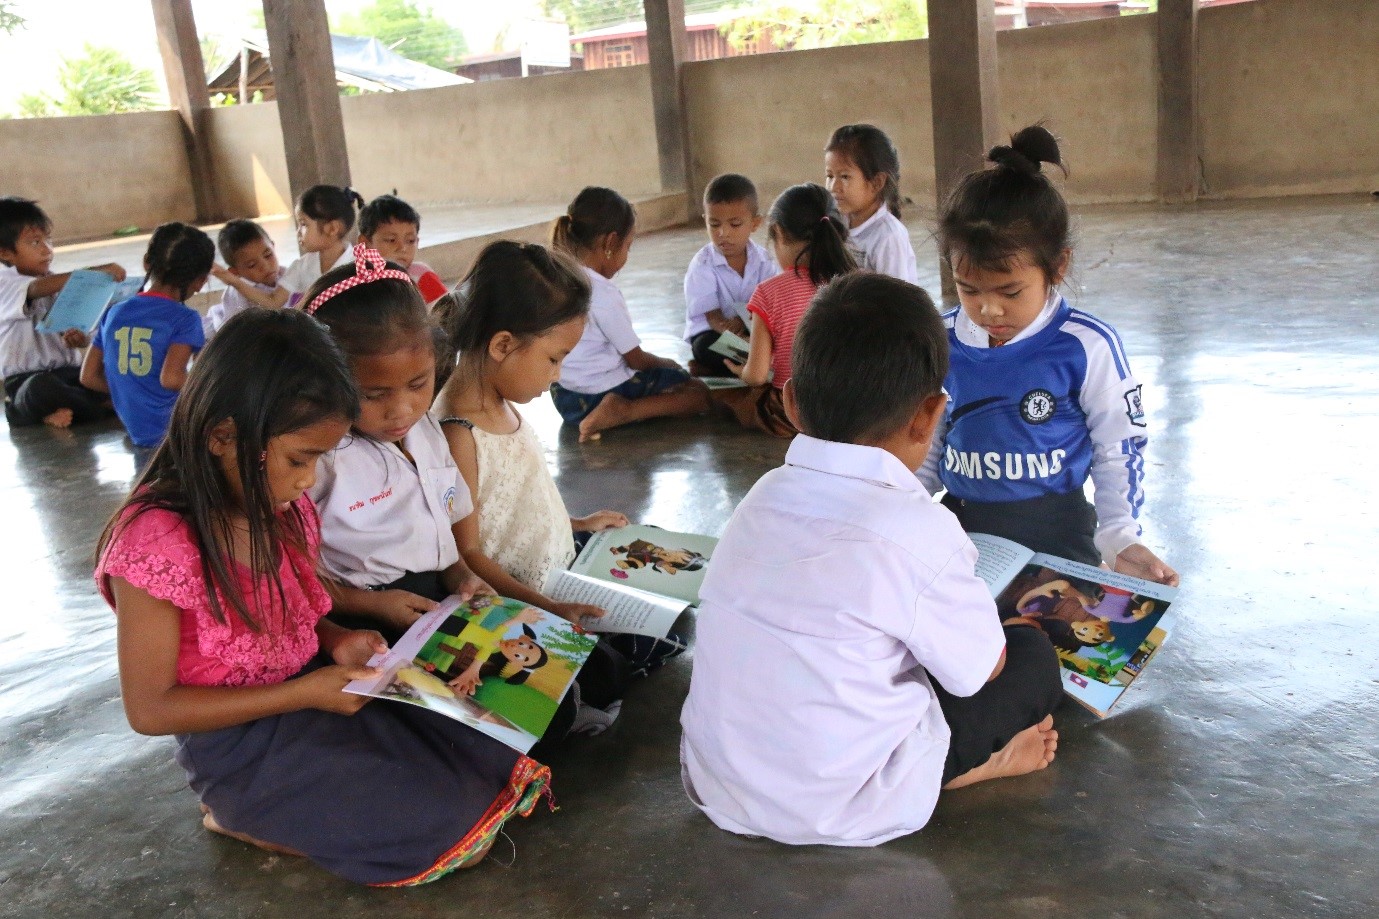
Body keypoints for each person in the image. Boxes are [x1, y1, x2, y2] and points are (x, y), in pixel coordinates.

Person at [95, 307, 549, 885]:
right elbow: (150, 708)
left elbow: (291, 613)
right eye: (299, 458)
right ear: (222, 437)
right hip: (240, 746)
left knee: (480, 747)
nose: (310, 480)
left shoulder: (282, 508)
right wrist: (301, 693)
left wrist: (336, 641)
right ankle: (235, 811)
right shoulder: (156, 546)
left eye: (320, 458)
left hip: (308, 695)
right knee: (449, 829)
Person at [680, 272, 1063, 847]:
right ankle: (965, 768)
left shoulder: (758, 498)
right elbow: (982, 672)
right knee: (1032, 655)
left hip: (723, 782)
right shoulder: (920, 530)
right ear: (929, 416)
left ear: (791, 403)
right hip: (843, 800)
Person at [918, 124, 1179, 586]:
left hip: (1056, 530)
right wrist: (904, 511)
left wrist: (1119, 537)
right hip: (958, 526)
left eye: (1010, 291)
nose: (988, 309)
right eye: (969, 289)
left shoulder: (1086, 345)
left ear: (1057, 267)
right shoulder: (942, 338)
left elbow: (1118, 448)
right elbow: (924, 440)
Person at [433, 240, 680, 686]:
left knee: (653, 558)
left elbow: (520, 500)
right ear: (503, 345)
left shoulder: (500, 400)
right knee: (617, 661)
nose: (558, 376)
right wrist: (549, 610)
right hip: (524, 589)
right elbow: (467, 554)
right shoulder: (458, 431)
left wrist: (577, 523)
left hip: (558, 559)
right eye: (554, 358)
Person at [300, 245, 488, 640]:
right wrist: (369, 605)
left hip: (438, 596)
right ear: (327, 381)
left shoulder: (428, 431)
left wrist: (462, 576)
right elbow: (287, 576)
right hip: (361, 613)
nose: (401, 410)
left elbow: (445, 534)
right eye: (373, 394)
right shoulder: (318, 459)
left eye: (419, 384)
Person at [549, 186, 710, 442]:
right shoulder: (602, 292)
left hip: (566, 398)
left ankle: (612, 412)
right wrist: (667, 363)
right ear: (610, 243)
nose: (627, 255)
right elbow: (636, 360)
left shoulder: (555, 277)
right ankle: (624, 410)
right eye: (628, 245)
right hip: (597, 395)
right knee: (697, 392)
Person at [722, 183, 855, 437]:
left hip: (792, 412)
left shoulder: (769, 292)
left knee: (729, 400)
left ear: (779, 234)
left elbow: (758, 375)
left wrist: (742, 372)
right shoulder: (857, 281)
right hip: (849, 408)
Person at [80, 223, 211, 464]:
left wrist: (132, 389)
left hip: (138, 431)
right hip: (176, 432)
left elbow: (88, 377)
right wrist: (217, 387)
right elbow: (171, 379)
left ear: (146, 263)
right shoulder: (184, 318)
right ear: (201, 280)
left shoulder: (114, 312)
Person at [0, 196, 122, 428]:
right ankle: (102, 407)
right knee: (39, 390)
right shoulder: (5, 283)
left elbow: (80, 333)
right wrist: (95, 273)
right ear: (5, 252)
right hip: (27, 381)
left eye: (49, 240)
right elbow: (35, 289)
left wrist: (80, 339)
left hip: (71, 375)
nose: (47, 250)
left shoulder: (57, 282)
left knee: (115, 371)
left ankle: (73, 410)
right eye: (35, 243)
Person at [683, 174, 778, 377]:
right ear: (705, 222)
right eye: (714, 224)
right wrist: (735, 334)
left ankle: (753, 362)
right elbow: (713, 317)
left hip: (755, 329)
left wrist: (746, 325)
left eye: (734, 224)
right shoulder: (702, 265)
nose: (723, 233)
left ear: (755, 224)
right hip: (715, 332)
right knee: (704, 347)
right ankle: (757, 363)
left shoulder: (764, 260)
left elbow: (770, 305)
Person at [824, 124, 918, 283]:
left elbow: (895, 298)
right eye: (830, 176)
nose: (834, 187)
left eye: (845, 177)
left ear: (876, 182)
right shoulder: (837, 222)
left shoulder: (889, 237)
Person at [358, 194, 448, 304]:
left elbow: (448, 314)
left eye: (410, 241)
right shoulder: (353, 281)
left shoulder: (421, 277)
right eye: (391, 240)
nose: (402, 248)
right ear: (365, 243)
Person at [280, 185, 363, 302]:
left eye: (304, 224)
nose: (298, 232)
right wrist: (243, 282)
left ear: (332, 228)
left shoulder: (359, 267)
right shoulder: (301, 266)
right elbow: (273, 301)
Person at [205, 219, 288, 336]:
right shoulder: (237, 292)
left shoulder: (288, 275)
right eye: (252, 265)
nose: (265, 266)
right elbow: (237, 334)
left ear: (273, 246)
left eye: (268, 255)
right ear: (235, 272)